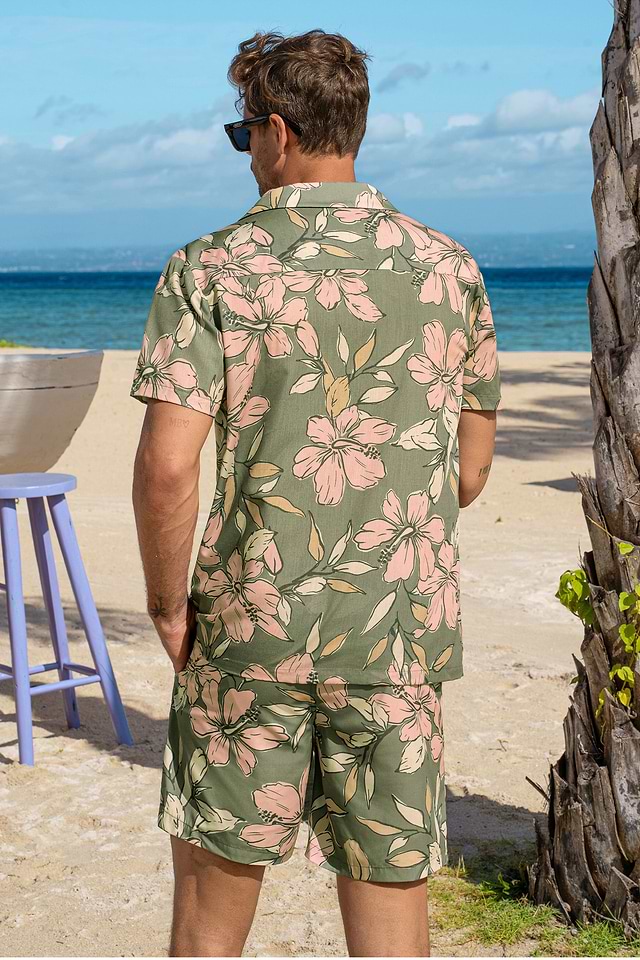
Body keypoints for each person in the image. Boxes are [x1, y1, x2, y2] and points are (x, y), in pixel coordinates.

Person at [130, 27, 501, 959]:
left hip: (250, 626)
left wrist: (169, 605)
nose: (247, 151)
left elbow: (169, 467)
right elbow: (468, 472)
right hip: (396, 631)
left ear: (280, 132)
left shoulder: (210, 268)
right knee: (390, 911)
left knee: (210, 920)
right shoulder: (449, 268)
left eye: (242, 133)